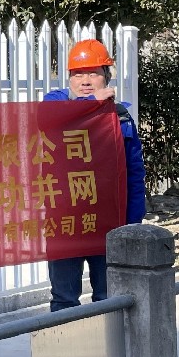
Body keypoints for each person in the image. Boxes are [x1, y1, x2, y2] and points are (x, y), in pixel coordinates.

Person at [43, 39, 146, 311]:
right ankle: (66, 341)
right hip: (65, 221)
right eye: (78, 74)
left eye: (93, 73)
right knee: (64, 299)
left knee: (108, 295)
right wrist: (92, 103)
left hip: (108, 221)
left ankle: (107, 340)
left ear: (106, 77)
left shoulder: (120, 117)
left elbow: (134, 171)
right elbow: (47, 119)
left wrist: (133, 220)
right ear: (69, 78)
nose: (86, 81)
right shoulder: (55, 103)